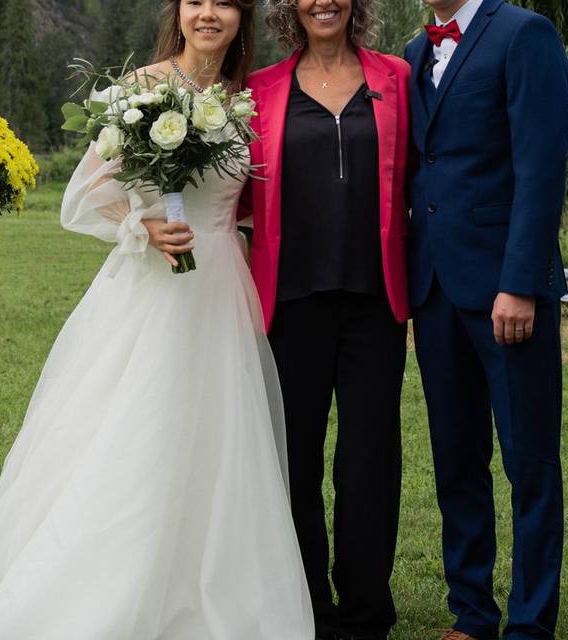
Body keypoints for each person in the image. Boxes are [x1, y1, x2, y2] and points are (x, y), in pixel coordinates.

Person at [0, 0, 314, 637]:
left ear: (241, 19)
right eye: (196, 2)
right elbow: (87, 193)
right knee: (141, 422)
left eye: (224, 5)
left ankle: (212, 587)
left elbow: (256, 197)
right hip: (152, 288)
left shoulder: (248, 102)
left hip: (222, 287)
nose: (209, 15)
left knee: (221, 431)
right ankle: (108, 582)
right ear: (178, 13)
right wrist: (142, 224)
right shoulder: (139, 90)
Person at [403, 0, 568, 638]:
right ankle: (471, 615)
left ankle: (530, 624)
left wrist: (521, 283)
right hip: (437, 290)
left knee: (529, 464)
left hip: (508, 292)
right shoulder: (415, 52)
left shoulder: (525, 34)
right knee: (456, 461)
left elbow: (540, 166)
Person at [244, 0, 410, 637]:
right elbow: (231, 192)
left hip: (376, 302)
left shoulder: (394, 77)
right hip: (291, 305)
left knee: (370, 459)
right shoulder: (259, 91)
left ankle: (367, 612)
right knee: (298, 461)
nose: (324, 1)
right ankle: (307, 607)